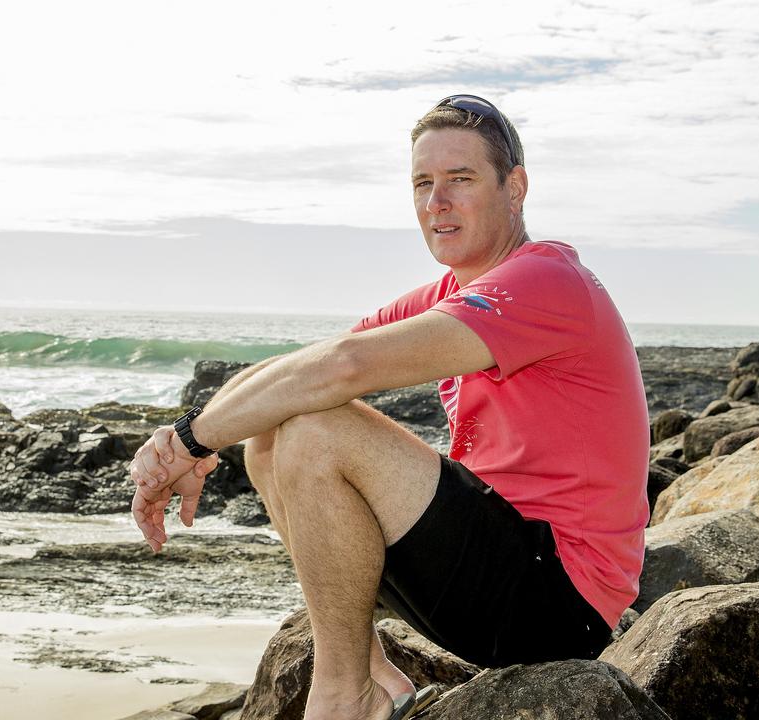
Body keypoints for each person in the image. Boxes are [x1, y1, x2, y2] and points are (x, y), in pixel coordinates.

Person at [129, 95, 649, 720]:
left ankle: (343, 697)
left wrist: (193, 445)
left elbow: (344, 369)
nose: (438, 202)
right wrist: (184, 437)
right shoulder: (452, 293)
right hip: (488, 577)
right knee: (273, 429)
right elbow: (305, 366)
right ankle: (370, 675)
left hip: (558, 600)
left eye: (461, 179)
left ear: (516, 187)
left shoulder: (548, 280)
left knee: (319, 429)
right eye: (423, 184)